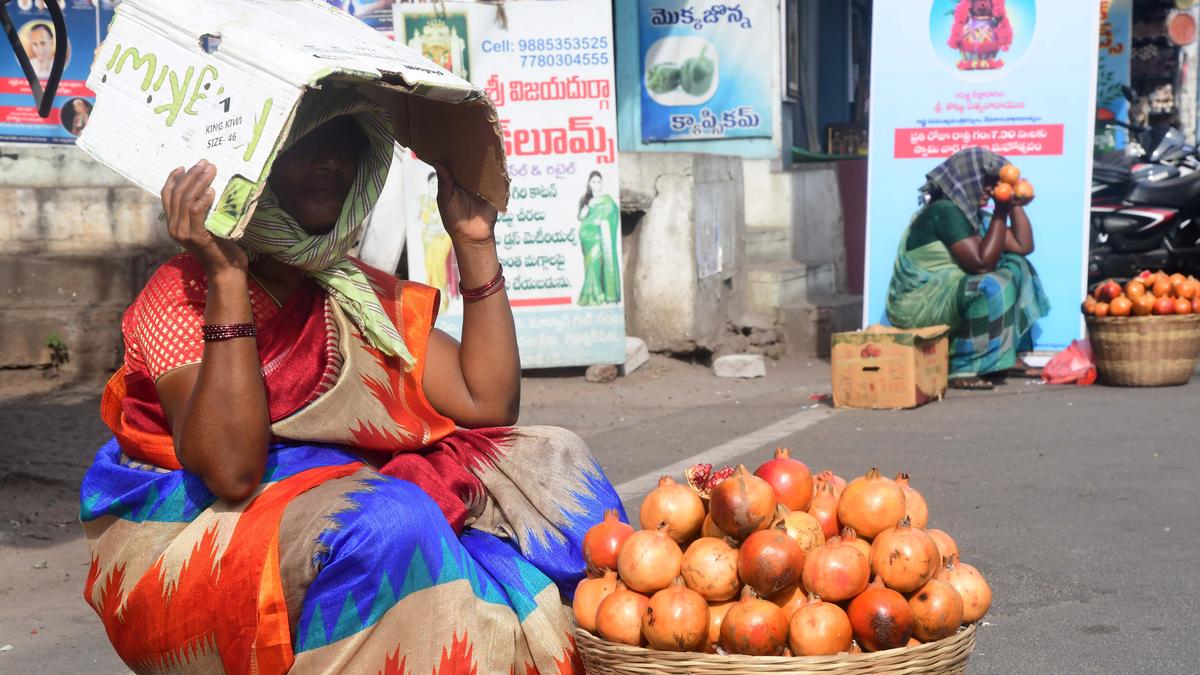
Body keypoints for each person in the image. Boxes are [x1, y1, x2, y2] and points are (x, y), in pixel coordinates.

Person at [80, 90, 624, 674]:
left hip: (330, 498)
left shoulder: (351, 291)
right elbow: (232, 471)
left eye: (346, 149)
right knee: (386, 517)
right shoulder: (183, 292)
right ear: (252, 163)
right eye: (306, 144)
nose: (330, 163)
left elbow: (487, 402)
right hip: (195, 539)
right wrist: (227, 275)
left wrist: (474, 242)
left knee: (552, 460)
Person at [885, 147, 1050, 391]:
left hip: (948, 295)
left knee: (1017, 265)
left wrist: (1014, 204)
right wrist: (1000, 211)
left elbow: (1023, 246)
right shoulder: (945, 212)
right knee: (990, 285)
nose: (992, 190)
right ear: (967, 180)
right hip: (921, 302)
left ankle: (1004, 356)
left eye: (998, 184)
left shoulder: (973, 216)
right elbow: (981, 264)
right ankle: (961, 365)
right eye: (987, 183)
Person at [576, 171, 621, 306]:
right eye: (594, 182)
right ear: (589, 184)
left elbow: (613, 216)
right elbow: (581, 217)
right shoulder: (585, 200)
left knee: (598, 265)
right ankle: (593, 295)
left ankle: (599, 294)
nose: (596, 184)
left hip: (602, 238)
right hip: (587, 239)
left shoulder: (608, 201)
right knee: (590, 265)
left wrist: (602, 222)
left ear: (602, 183)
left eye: (599, 181)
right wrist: (586, 209)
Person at [419, 170, 458, 312]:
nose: (435, 185)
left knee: (439, 265)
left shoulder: (446, 199)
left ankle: (442, 301)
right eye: (433, 182)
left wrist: (439, 229)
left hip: (443, 237)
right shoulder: (423, 200)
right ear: (428, 184)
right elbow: (421, 221)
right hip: (428, 238)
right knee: (429, 265)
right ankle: (430, 301)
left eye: (437, 183)